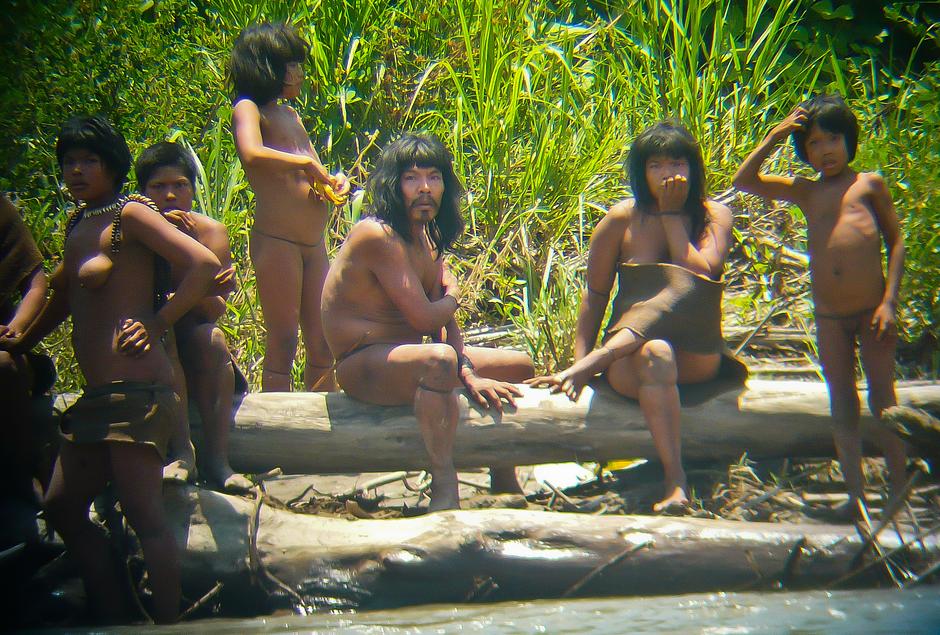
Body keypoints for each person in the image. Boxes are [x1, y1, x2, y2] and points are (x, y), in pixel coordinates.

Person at [2, 115, 221, 623]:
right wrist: (19, 341)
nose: (76, 171)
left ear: (113, 166)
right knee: (60, 507)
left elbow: (203, 265)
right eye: (69, 162)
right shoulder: (80, 223)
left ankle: (165, 626)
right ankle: (114, 612)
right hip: (97, 399)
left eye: (89, 161)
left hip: (138, 391)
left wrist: (157, 320)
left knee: (146, 517)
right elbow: (62, 297)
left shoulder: (132, 214)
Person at [527, 122, 744, 513]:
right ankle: (674, 480)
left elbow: (701, 274)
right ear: (642, 172)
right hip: (634, 359)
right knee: (657, 351)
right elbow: (594, 297)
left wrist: (673, 216)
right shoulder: (621, 219)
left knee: (681, 295)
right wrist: (581, 364)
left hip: (697, 356)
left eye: (677, 163)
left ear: (694, 168)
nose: (668, 174)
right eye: (657, 165)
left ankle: (676, 481)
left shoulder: (715, 216)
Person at [321, 133, 534, 509]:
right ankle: (444, 483)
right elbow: (424, 316)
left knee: (518, 365)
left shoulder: (426, 237)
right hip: (362, 365)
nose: (424, 189)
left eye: (433, 177)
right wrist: (455, 296)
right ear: (393, 185)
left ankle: (503, 475)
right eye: (411, 179)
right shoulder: (377, 234)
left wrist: (467, 371)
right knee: (437, 361)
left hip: (408, 358)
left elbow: (444, 324)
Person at [733, 94, 907, 516]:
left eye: (832, 139)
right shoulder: (806, 192)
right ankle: (856, 496)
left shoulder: (869, 184)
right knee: (842, 402)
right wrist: (776, 135)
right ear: (804, 151)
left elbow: (896, 241)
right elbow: (744, 179)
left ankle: (899, 491)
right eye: (813, 143)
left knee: (885, 400)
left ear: (849, 140)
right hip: (830, 317)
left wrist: (890, 301)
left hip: (872, 313)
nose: (824, 150)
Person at [230, 22, 350, 392]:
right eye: (292, 64)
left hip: (312, 245)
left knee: (322, 339)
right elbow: (251, 153)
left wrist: (334, 181)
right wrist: (304, 165)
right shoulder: (249, 109)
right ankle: (275, 425)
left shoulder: (291, 116)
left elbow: (316, 171)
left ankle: (319, 426)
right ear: (267, 67)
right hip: (277, 241)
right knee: (283, 339)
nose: (299, 73)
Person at [135, 141, 253, 492]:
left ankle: (218, 461)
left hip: (194, 335)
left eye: (179, 185)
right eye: (158, 187)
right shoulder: (132, 231)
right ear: (142, 194)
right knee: (164, 336)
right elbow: (142, 303)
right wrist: (196, 291)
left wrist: (183, 296)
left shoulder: (210, 232)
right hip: (149, 338)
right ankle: (181, 453)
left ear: (193, 189)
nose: (170, 195)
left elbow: (215, 308)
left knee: (213, 341)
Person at [0, 193, 54, 544]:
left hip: (7, 352)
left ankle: (21, 475)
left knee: (3, 367)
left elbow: (37, 284)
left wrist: (16, 329)